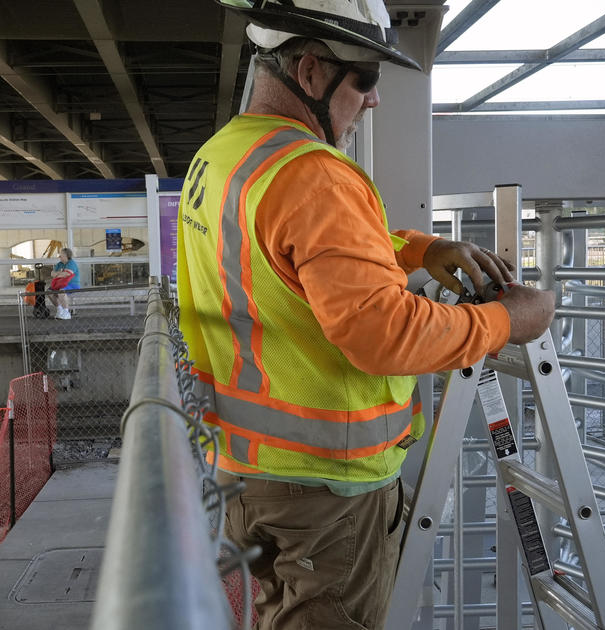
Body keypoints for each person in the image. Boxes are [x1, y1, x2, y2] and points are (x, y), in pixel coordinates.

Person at [176, 1, 556, 628]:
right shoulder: (314, 174)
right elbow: (382, 333)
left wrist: (423, 248)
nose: (374, 101)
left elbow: (292, 250)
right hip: (324, 490)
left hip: (246, 472)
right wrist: (508, 322)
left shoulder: (225, 157)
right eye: (366, 79)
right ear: (309, 71)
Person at [51, 248, 80, 320]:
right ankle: (60, 310)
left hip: (72, 284)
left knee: (61, 291)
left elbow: (67, 274)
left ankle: (66, 312)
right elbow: (52, 274)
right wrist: (60, 273)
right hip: (59, 284)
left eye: (61, 254)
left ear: (66, 255)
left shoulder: (71, 263)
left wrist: (57, 274)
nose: (59, 256)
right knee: (49, 293)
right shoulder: (59, 264)